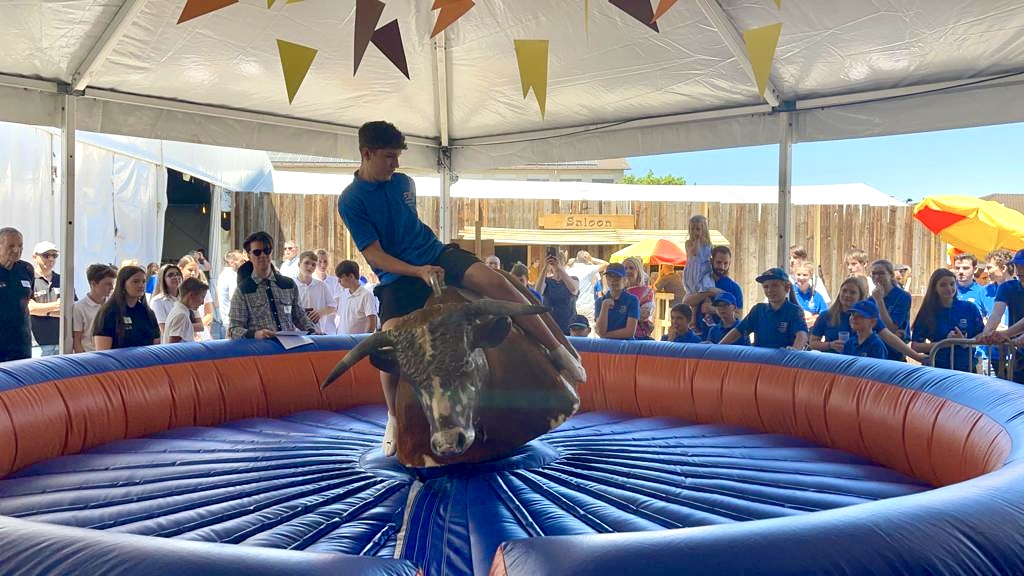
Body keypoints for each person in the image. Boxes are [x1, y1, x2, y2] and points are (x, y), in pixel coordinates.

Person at [337, 121, 586, 456]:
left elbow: (411, 232)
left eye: (397, 157)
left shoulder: (404, 184)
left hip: (436, 253)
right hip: (398, 276)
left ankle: (555, 348)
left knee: (494, 281)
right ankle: (393, 416)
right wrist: (418, 271)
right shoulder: (350, 200)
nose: (395, 164)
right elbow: (374, 254)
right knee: (391, 337)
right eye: (388, 157)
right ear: (367, 153)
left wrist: (430, 264)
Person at [229, 231, 319, 339]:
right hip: (261, 348)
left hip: (289, 347)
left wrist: (313, 332)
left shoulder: (289, 284)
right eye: (257, 252)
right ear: (249, 256)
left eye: (266, 250)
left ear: (271, 252)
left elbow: (299, 316)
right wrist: (255, 334)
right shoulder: (242, 290)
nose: (263, 255)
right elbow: (233, 329)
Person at [911, 268, 984, 373]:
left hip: (967, 369)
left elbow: (982, 335)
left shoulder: (969, 308)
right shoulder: (928, 312)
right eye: (943, 285)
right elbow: (916, 346)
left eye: (952, 284)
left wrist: (965, 342)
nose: (949, 288)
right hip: (939, 370)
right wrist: (945, 343)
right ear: (934, 288)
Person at [720, 268, 807, 350]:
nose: (770, 290)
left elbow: (802, 334)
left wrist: (795, 350)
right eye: (766, 287)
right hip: (760, 360)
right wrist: (718, 347)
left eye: (775, 285)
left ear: (787, 288)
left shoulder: (794, 311)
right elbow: (737, 331)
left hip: (784, 360)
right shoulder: (758, 310)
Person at [92, 265, 161, 350]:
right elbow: (103, 352)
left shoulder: (148, 313)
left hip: (145, 358)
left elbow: (155, 347)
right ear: (123, 284)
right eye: (135, 281)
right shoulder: (109, 312)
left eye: (143, 282)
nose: (141, 285)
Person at [0, 227, 33, 362]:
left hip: (21, 345)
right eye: (11, 246)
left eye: (20, 246)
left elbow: (28, 299)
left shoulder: (26, 269)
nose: (16, 250)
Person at [870, 259, 912, 362]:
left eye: (881, 273)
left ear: (891, 275)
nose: (877, 277)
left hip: (894, 352)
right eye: (874, 274)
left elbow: (891, 327)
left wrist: (879, 301)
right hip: (874, 350)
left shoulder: (902, 296)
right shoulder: (870, 299)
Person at [72, 264, 116, 353]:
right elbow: (77, 340)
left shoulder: (113, 304)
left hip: (110, 354)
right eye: (108, 284)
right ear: (93, 284)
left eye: (113, 284)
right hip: (89, 355)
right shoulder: (79, 307)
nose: (112, 288)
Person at [29, 241, 62, 356]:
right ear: (35, 257)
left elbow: (70, 307)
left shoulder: (62, 279)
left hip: (61, 342)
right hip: (36, 345)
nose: (51, 259)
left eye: (54, 255)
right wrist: (56, 307)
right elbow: (30, 308)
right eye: (46, 255)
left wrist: (42, 311)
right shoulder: (29, 279)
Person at [535, 247, 579, 336]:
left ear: (564, 263)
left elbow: (574, 290)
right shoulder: (547, 281)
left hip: (568, 326)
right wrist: (545, 268)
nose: (556, 263)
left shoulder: (573, 279)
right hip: (550, 325)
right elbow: (538, 292)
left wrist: (560, 268)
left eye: (559, 260)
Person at [682, 215, 718, 309]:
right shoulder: (689, 243)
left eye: (697, 229)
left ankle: (707, 312)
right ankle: (693, 315)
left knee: (705, 291)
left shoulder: (708, 243)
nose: (695, 232)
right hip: (694, 270)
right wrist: (697, 241)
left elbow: (712, 256)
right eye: (692, 229)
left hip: (704, 271)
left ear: (703, 230)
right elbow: (694, 252)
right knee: (695, 293)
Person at [594, 263, 639, 340]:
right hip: (605, 345)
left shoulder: (632, 300)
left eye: (617, 278)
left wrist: (605, 335)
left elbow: (630, 332)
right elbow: (600, 331)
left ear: (624, 279)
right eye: (609, 277)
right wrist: (604, 307)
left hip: (626, 344)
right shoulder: (600, 302)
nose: (613, 281)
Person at [334, 260, 378, 334]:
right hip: (341, 339)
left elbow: (372, 323)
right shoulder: (343, 294)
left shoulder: (366, 295)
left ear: (351, 276)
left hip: (358, 340)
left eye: (341, 277)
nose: (338, 281)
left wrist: (363, 340)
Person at [566, 250, 608, 325]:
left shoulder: (568, 271)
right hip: (587, 306)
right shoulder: (589, 269)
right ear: (586, 258)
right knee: (590, 328)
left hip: (572, 306)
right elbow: (606, 264)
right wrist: (591, 259)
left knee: (573, 328)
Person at [296, 250, 336, 328]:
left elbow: (333, 307)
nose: (310, 267)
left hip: (317, 330)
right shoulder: (291, 284)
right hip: (296, 331)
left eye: (313, 264)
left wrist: (320, 312)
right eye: (306, 263)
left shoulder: (321, 286)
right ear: (299, 264)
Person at [161, 278, 208, 344]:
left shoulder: (180, 311)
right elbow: (172, 346)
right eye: (202, 297)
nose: (202, 302)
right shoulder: (181, 315)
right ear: (191, 295)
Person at [623, 256, 654, 340]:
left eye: (631, 268)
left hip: (638, 336)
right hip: (619, 334)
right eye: (625, 268)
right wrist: (639, 303)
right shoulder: (618, 291)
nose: (628, 271)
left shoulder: (646, 291)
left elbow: (643, 315)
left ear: (638, 271)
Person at [216, 250, 244, 339]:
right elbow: (236, 298)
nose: (244, 263)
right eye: (241, 261)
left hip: (225, 321)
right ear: (232, 263)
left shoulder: (223, 275)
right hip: (230, 323)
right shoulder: (231, 276)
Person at [953, 253, 988, 318]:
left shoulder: (983, 292)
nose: (960, 271)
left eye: (965, 268)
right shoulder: (947, 290)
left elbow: (991, 318)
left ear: (975, 269)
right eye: (957, 268)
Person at [793, 260, 827, 326]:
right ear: (794, 275)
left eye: (805, 275)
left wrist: (814, 319)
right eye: (798, 274)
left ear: (810, 276)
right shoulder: (789, 293)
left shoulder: (816, 296)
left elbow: (825, 315)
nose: (801, 278)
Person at [151, 264, 183, 333]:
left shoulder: (186, 298)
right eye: (170, 275)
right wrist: (188, 326)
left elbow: (200, 326)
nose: (175, 277)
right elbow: (164, 329)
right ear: (162, 279)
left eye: (178, 274)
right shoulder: (157, 301)